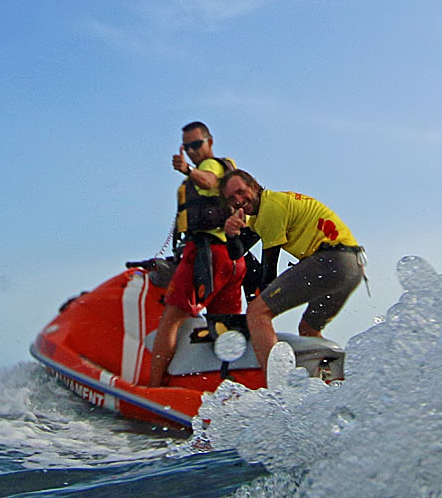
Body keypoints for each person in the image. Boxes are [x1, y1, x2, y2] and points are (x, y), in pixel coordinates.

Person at [220, 169, 365, 373]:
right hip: (353, 266)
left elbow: (268, 274)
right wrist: (232, 234)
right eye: (231, 198)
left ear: (253, 186)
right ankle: (333, 380)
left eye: (241, 192)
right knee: (308, 330)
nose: (239, 200)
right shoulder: (261, 215)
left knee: (257, 313)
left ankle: (276, 389)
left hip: (331, 260)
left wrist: (253, 314)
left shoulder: (271, 208)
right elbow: (236, 253)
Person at [148, 122, 246, 387]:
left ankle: (153, 387)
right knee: (223, 328)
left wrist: (188, 169)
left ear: (210, 142)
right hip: (232, 260)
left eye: (197, 144)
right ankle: (227, 387)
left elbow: (210, 180)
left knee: (171, 319)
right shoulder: (224, 169)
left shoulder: (210, 166)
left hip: (207, 256)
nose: (192, 150)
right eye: (188, 146)